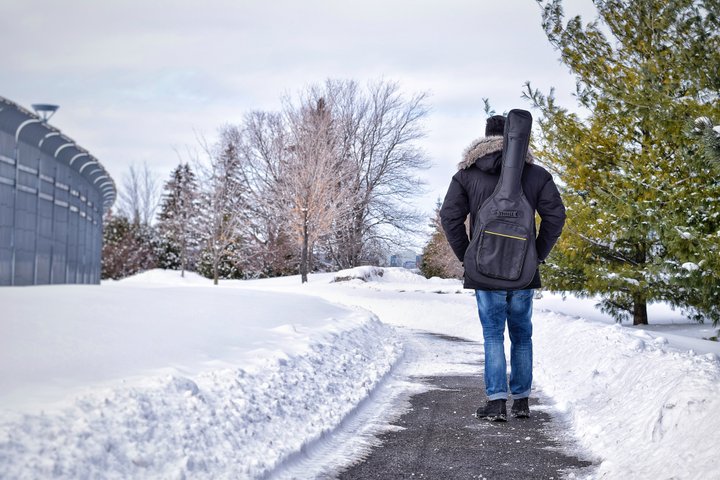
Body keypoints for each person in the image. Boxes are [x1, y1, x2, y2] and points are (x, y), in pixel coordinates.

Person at [439, 114, 566, 421]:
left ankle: (496, 402)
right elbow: (556, 216)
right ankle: (521, 401)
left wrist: (467, 255)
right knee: (522, 335)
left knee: (493, 335)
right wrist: (537, 253)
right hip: (523, 270)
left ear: (484, 140)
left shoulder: (467, 175)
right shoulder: (536, 174)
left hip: (484, 269)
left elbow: (449, 217)